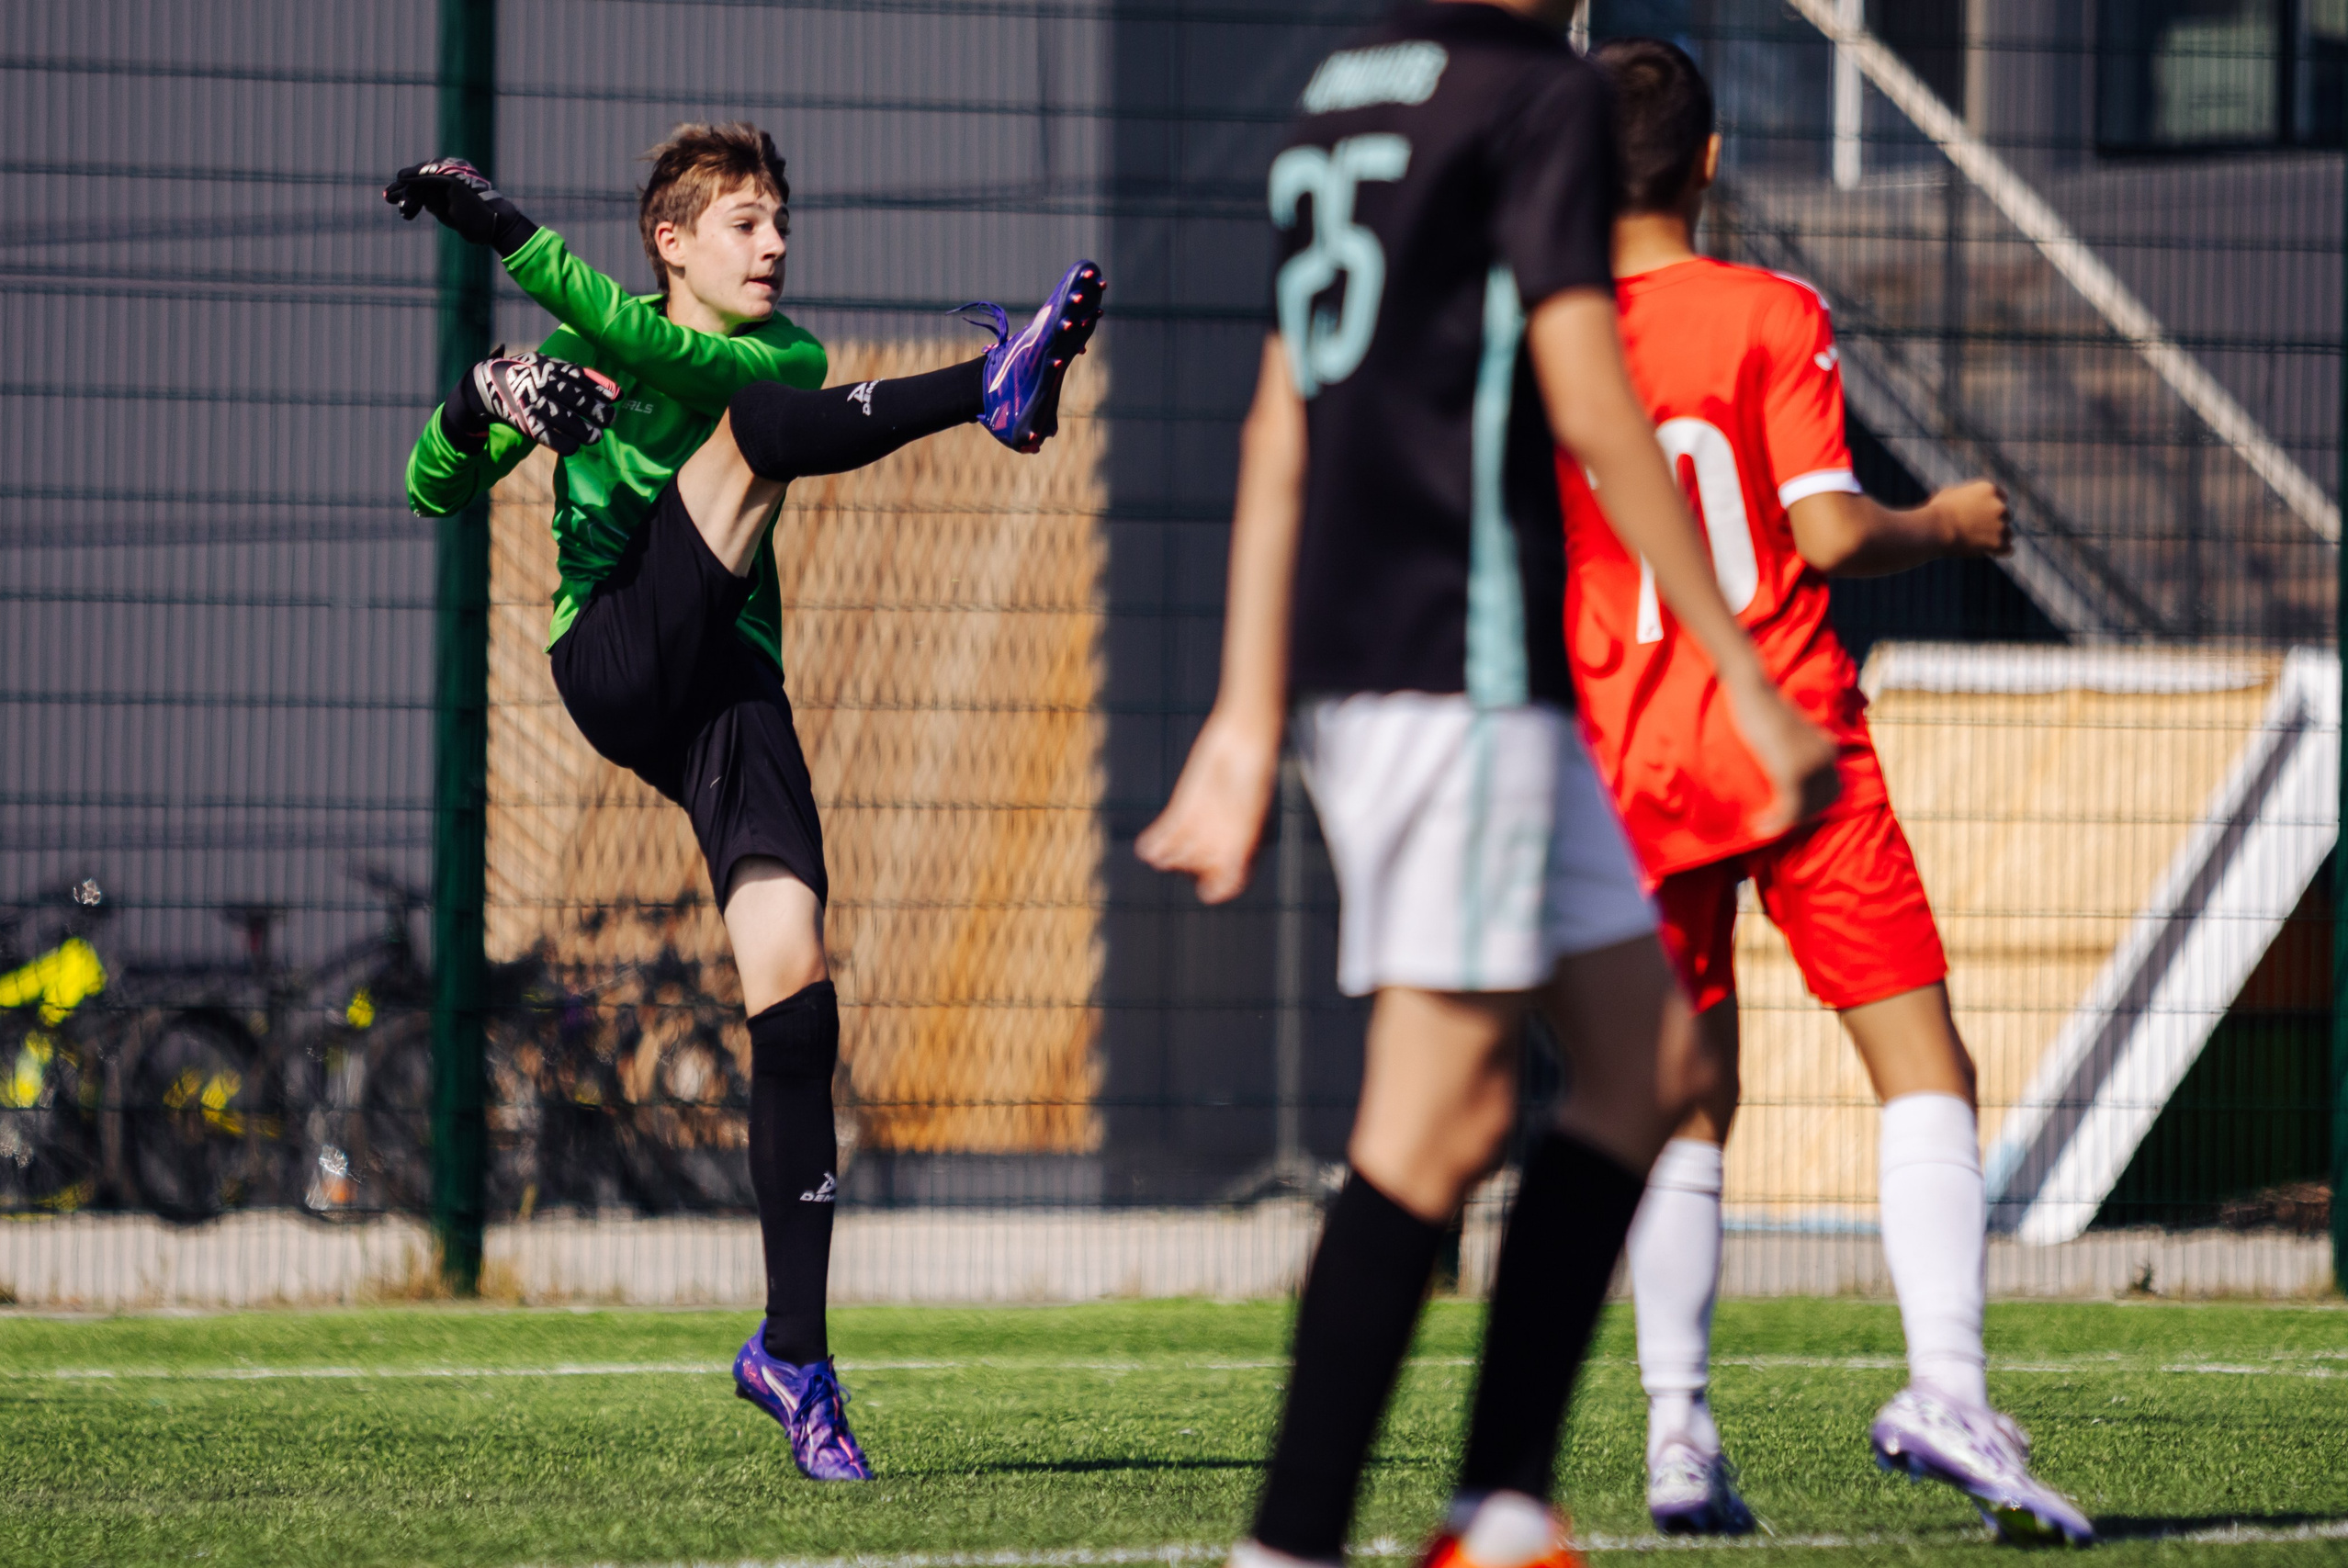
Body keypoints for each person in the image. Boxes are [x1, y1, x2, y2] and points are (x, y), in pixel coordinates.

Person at [1136, 6, 1839, 1566]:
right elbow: (1588, 394)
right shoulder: (1538, 95)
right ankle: (1292, 1542)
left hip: (1421, 677)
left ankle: (1501, 1503)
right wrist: (1739, 668)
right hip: (1458, 666)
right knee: (1432, 1120)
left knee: (1649, 1063)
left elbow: (1279, 425)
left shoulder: (1335, 96)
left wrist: (1253, 711)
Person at [389, 123, 1101, 1482]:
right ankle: (993, 391)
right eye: (744, 224)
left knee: (796, 992)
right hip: (614, 655)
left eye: (780, 221)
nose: (775, 244)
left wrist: (508, 255)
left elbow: (676, 362)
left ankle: (796, 1353)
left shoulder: (769, 358)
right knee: (752, 439)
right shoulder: (605, 353)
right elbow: (430, 491)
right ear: (670, 242)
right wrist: (484, 400)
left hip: (727, 687)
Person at [1557, 38, 2094, 1548]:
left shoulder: (1552, 339)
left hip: (1634, 756)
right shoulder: (1770, 310)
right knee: (1922, 1066)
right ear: (1712, 165)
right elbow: (1830, 532)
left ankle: (1677, 1431)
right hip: (1790, 731)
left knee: (1680, 1105)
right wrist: (1948, 520)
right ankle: (1945, 1382)